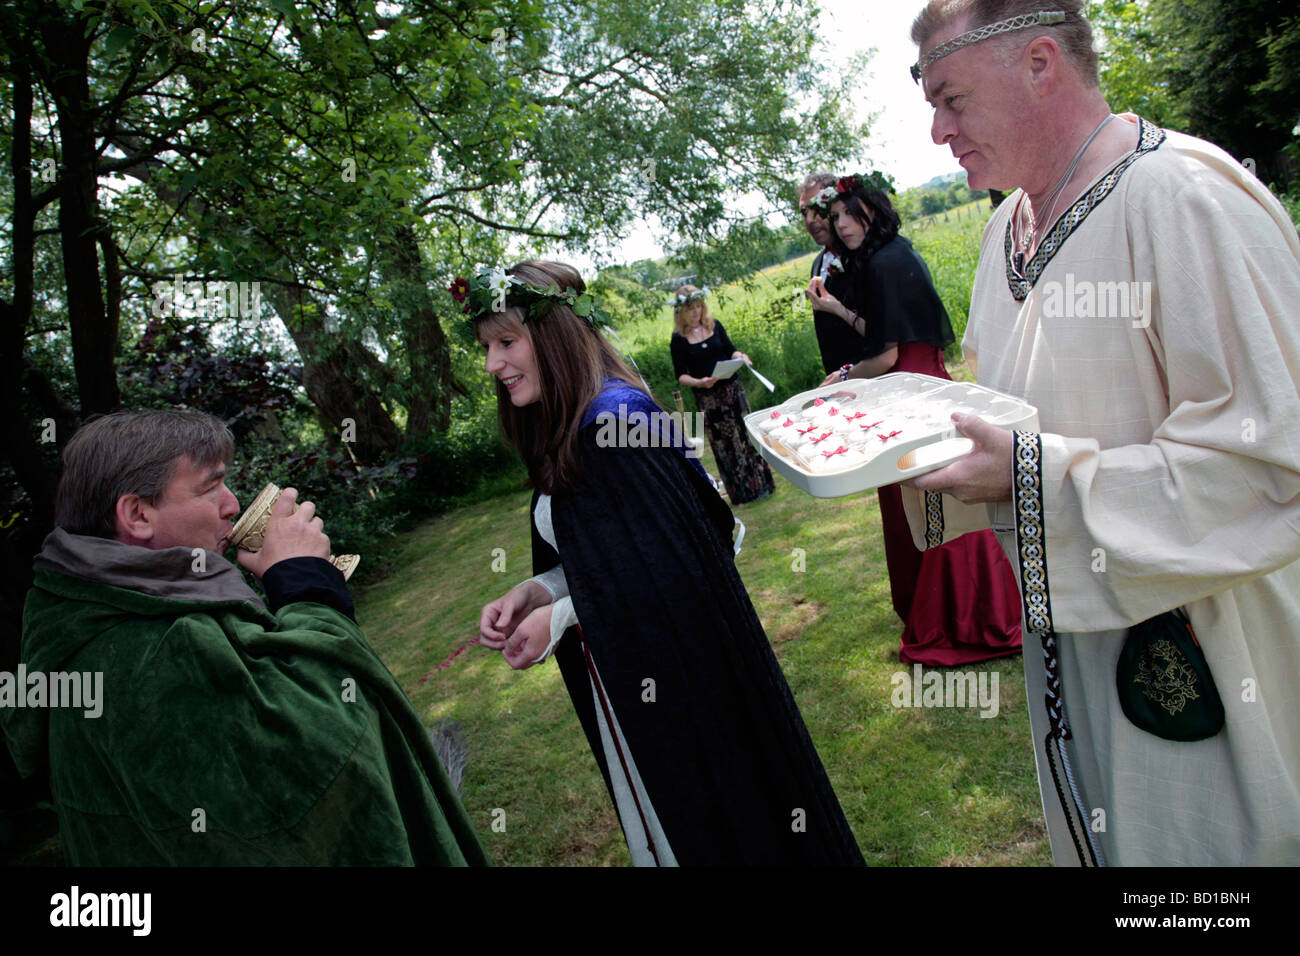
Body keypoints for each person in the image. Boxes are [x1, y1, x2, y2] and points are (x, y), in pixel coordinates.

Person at [905, 0, 1300, 865]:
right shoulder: (1002, 235)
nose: (936, 130)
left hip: (1211, 656)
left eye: (950, 98)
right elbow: (1028, 412)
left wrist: (1034, 476)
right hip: (1071, 648)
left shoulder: (1185, 197)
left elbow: (1274, 467)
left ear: (1040, 62)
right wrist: (912, 434)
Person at [468, 260, 863, 866]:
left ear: (555, 334)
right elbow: (615, 551)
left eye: (506, 341)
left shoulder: (612, 424)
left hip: (687, 691)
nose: (493, 364)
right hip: (637, 686)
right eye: (486, 347)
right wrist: (541, 591)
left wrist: (565, 617)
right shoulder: (575, 425)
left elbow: (687, 563)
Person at [0, 410, 489, 866]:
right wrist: (306, 586)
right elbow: (328, 753)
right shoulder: (163, 652)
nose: (232, 504)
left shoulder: (85, 620)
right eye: (211, 488)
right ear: (138, 516)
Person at [803, 173, 1023, 667]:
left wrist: (840, 376)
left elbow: (885, 356)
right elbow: (885, 333)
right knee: (922, 508)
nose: (841, 224)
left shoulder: (884, 264)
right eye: (834, 217)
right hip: (914, 382)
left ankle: (968, 619)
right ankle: (954, 609)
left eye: (848, 213)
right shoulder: (893, 254)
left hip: (910, 394)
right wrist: (837, 308)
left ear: (872, 211)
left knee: (936, 506)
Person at [668, 284, 774, 504]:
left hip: (732, 391)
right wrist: (700, 382)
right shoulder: (678, 340)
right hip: (709, 398)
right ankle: (742, 494)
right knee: (725, 443)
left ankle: (762, 485)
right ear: (681, 312)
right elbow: (681, 375)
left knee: (745, 435)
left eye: (699, 306)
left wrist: (740, 356)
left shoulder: (714, 325)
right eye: (691, 309)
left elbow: (731, 350)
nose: (696, 312)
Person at [797, 172, 864, 375]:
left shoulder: (864, 256)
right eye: (803, 213)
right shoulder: (818, 263)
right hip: (839, 381)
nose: (809, 220)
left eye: (817, 210)